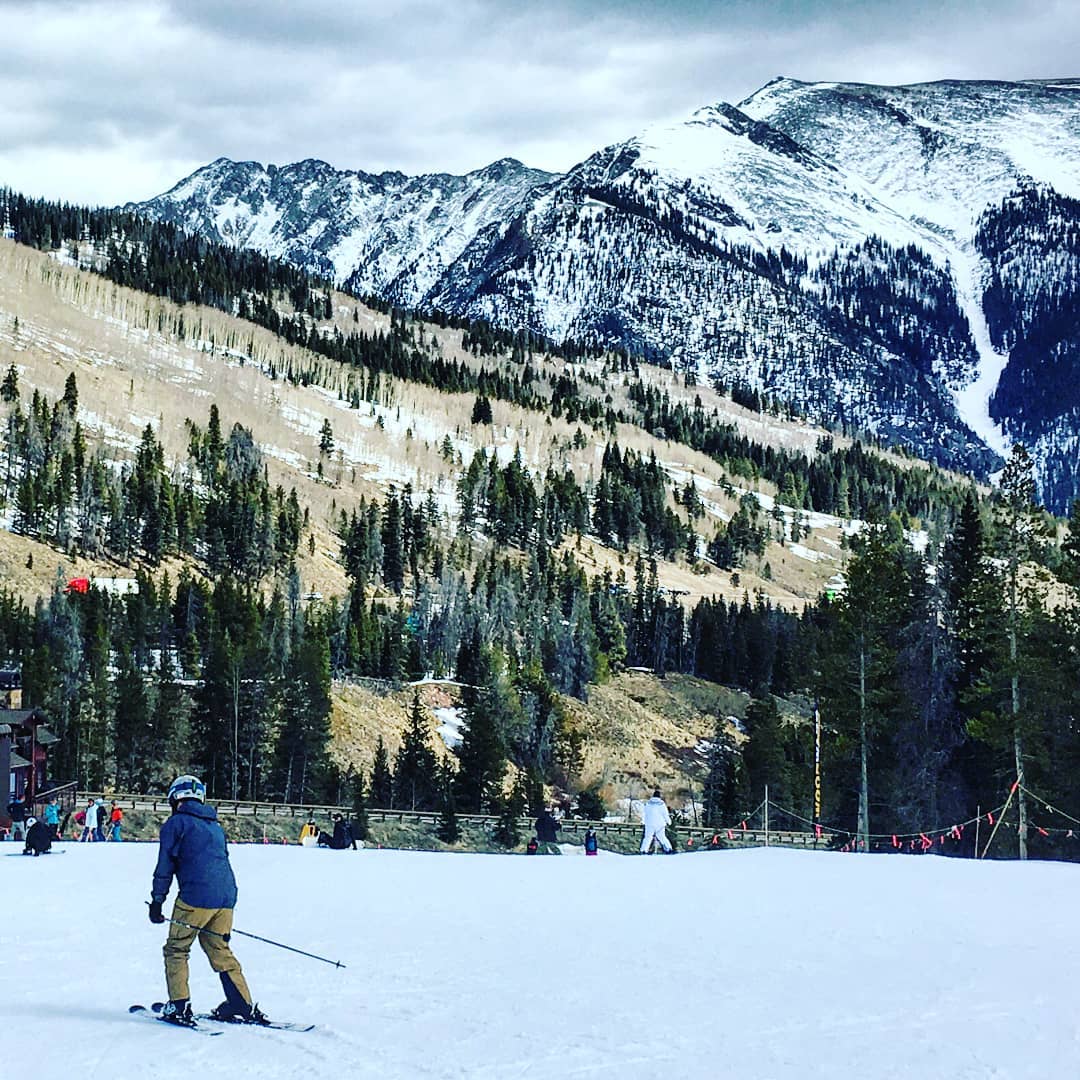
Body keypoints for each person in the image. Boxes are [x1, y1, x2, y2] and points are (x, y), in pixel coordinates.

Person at [148, 774, 268, 1027]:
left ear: (174, 798)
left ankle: (179, 1005)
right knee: (218, 948)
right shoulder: (215, 826)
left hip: (195, 897)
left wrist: (158, 901)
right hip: (226, 897)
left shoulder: (176, 824)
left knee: (176, 949)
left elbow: (165, 864)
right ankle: (241, 1003)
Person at [640, 788, 674, 854]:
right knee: (662, 837)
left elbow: (645, 813)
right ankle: (668, 848)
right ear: (659, 796)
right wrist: (669, 822)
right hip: (660, 824)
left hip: (649, 824)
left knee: (647, 837)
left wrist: (643, 821)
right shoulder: (661, 804)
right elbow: (665, 814)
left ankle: (643, 850)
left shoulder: (648, 804)